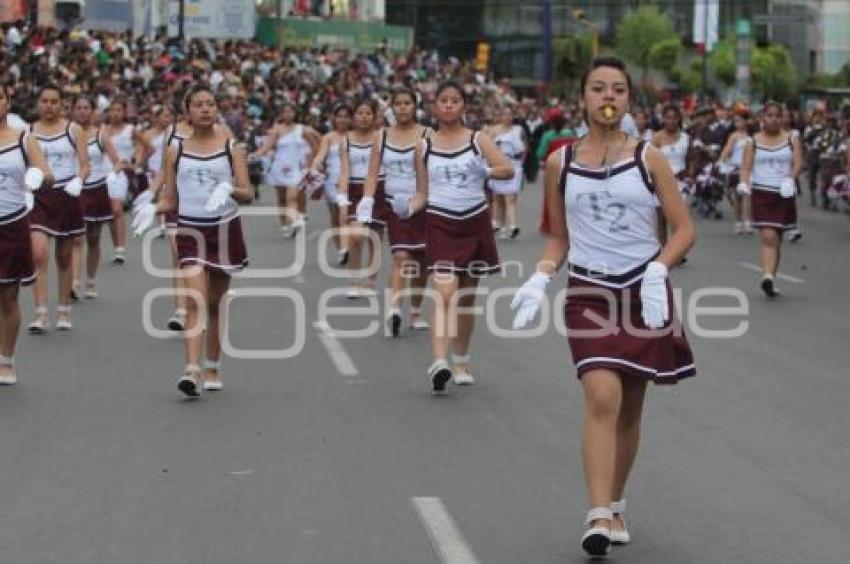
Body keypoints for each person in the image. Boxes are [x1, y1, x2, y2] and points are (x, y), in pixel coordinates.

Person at [511, 57, 696, 558]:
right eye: (598, 88)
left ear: (628, 100)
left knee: (630, 407)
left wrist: (659, 269)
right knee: (601, 396)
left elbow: (683, 228)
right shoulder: (560, 162)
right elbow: (558, 239)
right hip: (589, 293)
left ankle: (615, 502)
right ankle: (596, 514)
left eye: (617, 88)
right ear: (584, 98)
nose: (607, 96)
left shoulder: (649, 158)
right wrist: (540, 276)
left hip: (644, 292)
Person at [132, 83, 254, 397]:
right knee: (195, 299)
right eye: (198, 104)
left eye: (211, 104)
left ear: (217, 110)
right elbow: (171, 199)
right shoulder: (177, 149)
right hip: (189, 231)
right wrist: (153, 208)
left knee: (214, 304)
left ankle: (213, 365)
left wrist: (227, 190)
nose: (205, 109)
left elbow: (248, 193)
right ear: (188, 111)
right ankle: (191, 369)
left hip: (224, 230)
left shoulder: (232, 147)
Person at [409, 81, 513, 393]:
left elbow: (506, 170)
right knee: (444, 293)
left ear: (464, 106)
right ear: (434, 107)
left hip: (474, 222)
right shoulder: (423, 146)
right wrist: (406, 207)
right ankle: (439, 362)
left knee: (466, 298)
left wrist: (487, 172)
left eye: (455, 100)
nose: (449, 105)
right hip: (440, 222)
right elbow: (422, 194)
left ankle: (461, 360)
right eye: (444, 100)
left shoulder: (478, 139)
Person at [357, 87, 430, 336]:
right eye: (397, 103)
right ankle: (394, 308)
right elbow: (372, 172)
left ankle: (416, 311)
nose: (402, 107)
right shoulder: (381, 136)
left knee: (422, 261)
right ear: (392, 108)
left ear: (415, 106)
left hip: (424, 204)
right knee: (401, 256)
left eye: (407, 103)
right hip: (394, 203)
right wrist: (366, 200)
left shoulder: (428, 134)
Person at [28, 84, 91, 333]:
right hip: (40, 196)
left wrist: (79, 179)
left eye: (54, 102)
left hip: (67, 194)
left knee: (64, 257)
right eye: (44, 101)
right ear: (38, 104)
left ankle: (64, 308)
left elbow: (85, 165)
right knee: (38, 253)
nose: (49, 106)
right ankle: (41, 313)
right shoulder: (28, 132)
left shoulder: (73, 130)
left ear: (61, 104)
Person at [0, 86, 50, 384]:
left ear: (7, 103)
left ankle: (6, 359)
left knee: (7, 296)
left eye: (0, 98)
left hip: (12, 224)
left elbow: (46, 172)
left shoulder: (23, 139)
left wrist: (38, 176)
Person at [738, 101, 803, 298]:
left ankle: (771, 278)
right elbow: (746, 167)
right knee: (769, 236)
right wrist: (743, 182)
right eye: (770, 116)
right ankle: (766, 275)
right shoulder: (753, 141)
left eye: (777, 115)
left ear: (782, 117)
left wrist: (791, 178)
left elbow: (798, 162)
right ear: (762, 118)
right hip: (762, 192)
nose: (774, 119)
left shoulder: (792, 139)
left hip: (783, 193)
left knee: (778, 237)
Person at [73, 96, 121, 299]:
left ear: (92, 111)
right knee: (76, 238)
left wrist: (113, 173)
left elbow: (118, 161)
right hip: (76, 189)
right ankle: (73, 282)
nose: (83, 111)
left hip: (97, 188)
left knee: (93, 238)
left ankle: (91, 281)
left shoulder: (101, 135)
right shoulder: (69, 133)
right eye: (79, 108)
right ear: (73, 111)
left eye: (86, 108)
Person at [338, 98, 385, 298]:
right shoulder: (346, 141)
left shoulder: (382, 137)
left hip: (379, 188)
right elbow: (345, 170)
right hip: (355, 189)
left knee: (374, 238)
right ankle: (354, 281)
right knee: (355, 237)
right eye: (359, 113)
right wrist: (342, 196)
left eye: (368, 113)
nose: (364, 117)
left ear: (374, 117)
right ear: (353, 117)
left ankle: (372, 281)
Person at [251, 102, 320, 236]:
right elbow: (267, 146)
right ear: (281, 114)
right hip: (279, 167)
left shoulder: (302, 129)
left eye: (290, 112)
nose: (288, 114)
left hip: (296, 168)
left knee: (292, 196)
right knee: (281, 197)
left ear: (295, 113)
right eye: (285, 112)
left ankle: (294, 219)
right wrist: (255, 155)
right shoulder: (277, 129)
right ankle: (285, 223)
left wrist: (310, 162)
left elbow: (314, 146)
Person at [101, 99, 149, 264]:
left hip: (121, 173)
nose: (115, 114)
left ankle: (121, 248)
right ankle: (116, 247)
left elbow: (149, 147)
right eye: (112, 110)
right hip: (103, 172)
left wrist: (136, 166)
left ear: (124, 112)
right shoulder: (102, 130)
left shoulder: (130, 129)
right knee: (108, 212)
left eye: (118, 110)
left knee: (116, 208)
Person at [310, 103, 351, 264]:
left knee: (346, 216)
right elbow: (320, 156)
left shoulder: (355, 135)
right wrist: (315, 166)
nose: (342, 119)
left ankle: (347, 246)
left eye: (346, 116)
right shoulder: (328, 137)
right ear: (334, 118)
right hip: (332, 181)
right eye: (339, 116)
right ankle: (341, 248)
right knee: (335, 217)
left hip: (351, 180)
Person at [485, 105, 527, 239]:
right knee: (497, 198)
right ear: (500, 116)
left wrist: (522, 162)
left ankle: (513, 225)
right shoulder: (493, 130)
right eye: (505, 114)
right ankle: (498, 224)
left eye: (510, 114)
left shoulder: (518, 129)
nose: (508, 117)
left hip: (514, 165)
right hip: (498, 164)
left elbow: (525, 147)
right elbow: (488, 148)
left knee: (511, 197)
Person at [718, 107, 753, 235]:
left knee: (748, 196)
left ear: (746, 122)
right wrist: (721, 161)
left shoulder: (752, 137)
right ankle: (738, 222)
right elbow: (727, 149)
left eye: (740, 121)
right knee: (738, 198)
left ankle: (747, 222)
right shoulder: (734, 136)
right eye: (736, 121)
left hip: (748, 169)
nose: (737, 123)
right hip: (735, 168)